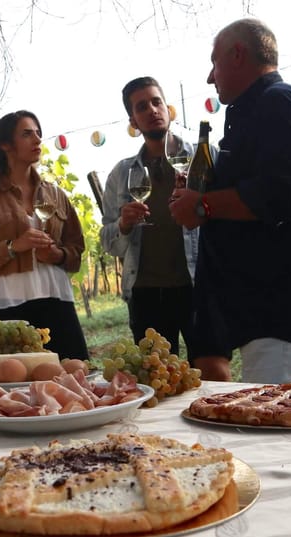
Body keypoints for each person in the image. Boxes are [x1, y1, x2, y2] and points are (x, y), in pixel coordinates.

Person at [168, 18, 291, 383]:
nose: (209, 77)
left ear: (237, 55)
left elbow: (283, 194)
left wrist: (203, 206)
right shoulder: (263, 109)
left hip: (281, 318)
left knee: (278, 429)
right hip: (264, 317)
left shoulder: (280, 102)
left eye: (214, 62)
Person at [0, 110, 89, 359]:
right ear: (5, 144)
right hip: (4, 303)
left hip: (55, 299)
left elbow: (76, 250)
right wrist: (12, 247)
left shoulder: (56, 194)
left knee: (73, 376)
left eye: (38, 133)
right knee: (11, 386)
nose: (37, 140)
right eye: (27, 134)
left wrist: (57, 254)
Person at [99, 76, 208, 361]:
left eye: (156, 102)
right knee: (159, 378)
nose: (152, 110)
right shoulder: (122, 174)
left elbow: (222, 219)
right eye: (141, 107)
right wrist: (123, 224)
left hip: (198, 287)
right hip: (146, 296)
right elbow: (109, 244)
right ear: (133, 122)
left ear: (167, 108)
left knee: (210, 373)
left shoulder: (201, 158)